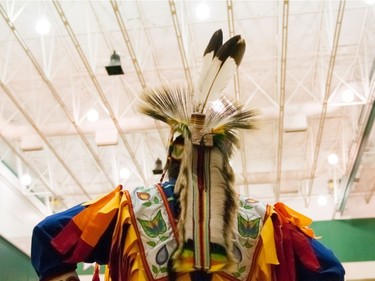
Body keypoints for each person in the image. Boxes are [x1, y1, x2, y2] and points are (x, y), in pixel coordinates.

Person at [31, 29, 345, 281]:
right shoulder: (264, 224)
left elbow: (48, 236)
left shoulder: (129, 211)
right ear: (225, 161)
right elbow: (329, 269)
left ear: (171, 156)